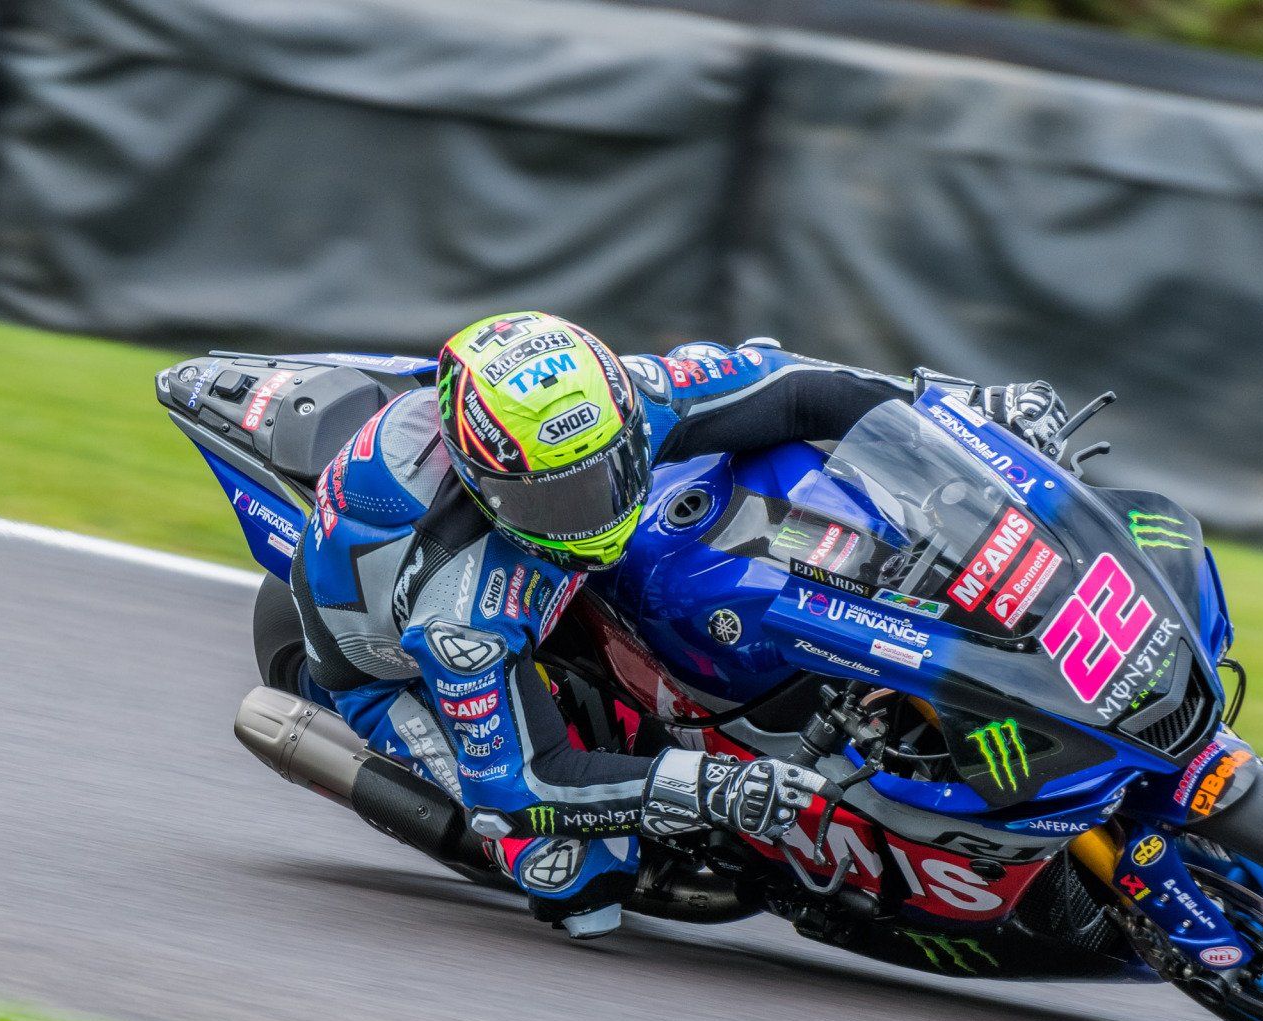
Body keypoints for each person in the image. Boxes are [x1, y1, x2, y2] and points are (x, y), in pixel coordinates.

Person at [283, 311, 1066, 937]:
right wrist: (714, 788)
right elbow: (525, 784)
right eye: (560, 497)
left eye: (610, 467)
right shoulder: (461, 614)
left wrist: (956, 413)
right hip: (393, 673)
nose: (596, 506)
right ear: (489, 489)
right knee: (577, 878)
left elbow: (799, 387)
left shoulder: (629, 399)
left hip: (546, 576)